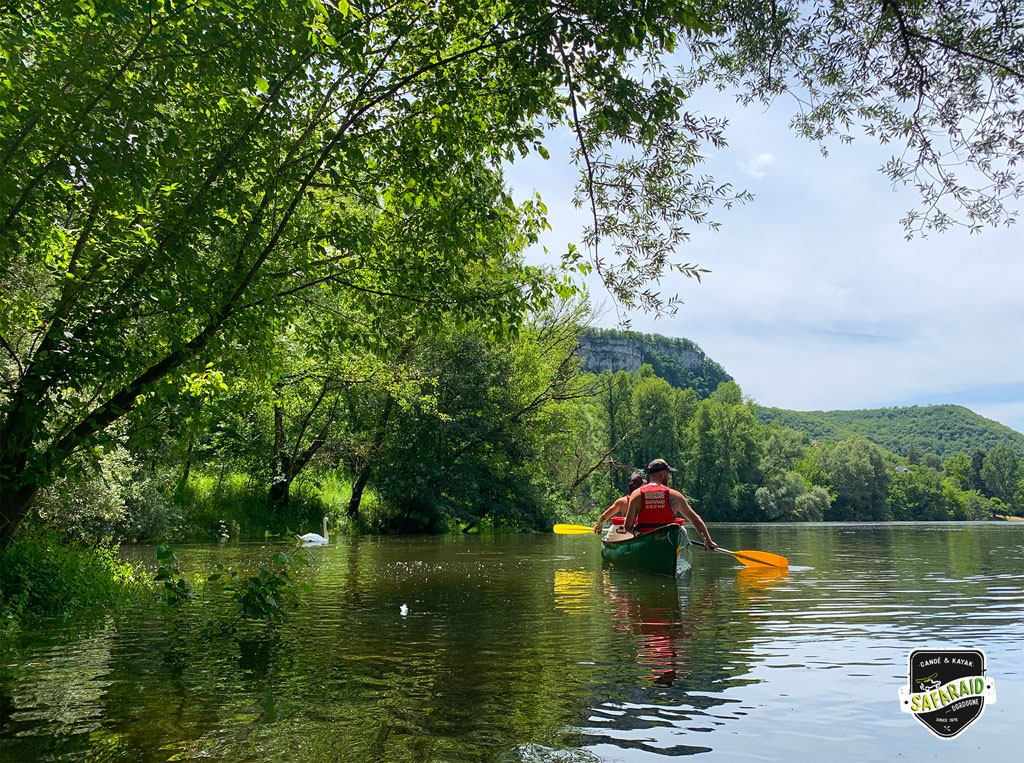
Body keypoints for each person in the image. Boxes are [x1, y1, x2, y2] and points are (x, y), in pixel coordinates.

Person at [621, 459, 717, 551]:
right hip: (668, 545)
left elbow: (628, 526)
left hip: (645, 545)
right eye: (668, 474)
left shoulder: (636, 494)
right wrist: (708, 541)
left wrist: (636, 534)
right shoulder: (674, 495)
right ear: (662, 474)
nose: (669, 477)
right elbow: (696, 520)